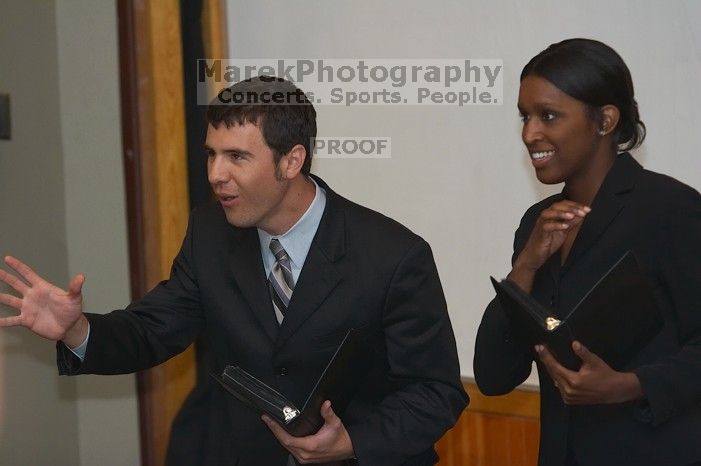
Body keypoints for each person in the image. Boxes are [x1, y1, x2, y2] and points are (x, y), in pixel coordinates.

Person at [0, 76, 468, 466]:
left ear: (292, 160)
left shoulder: (393, 255)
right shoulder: (210, 233)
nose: (215, 174)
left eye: (237, 157)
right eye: (211, 154)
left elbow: (436, 392)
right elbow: (153, 330)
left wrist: (351, 442)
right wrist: (78, 329)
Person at [474, 39, 701, 466]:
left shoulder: (669, 209)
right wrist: (525, 265)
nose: (529, 133)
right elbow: (493, 376)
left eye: (548, 116)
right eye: (524, 116)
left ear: (605, 120)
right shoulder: (536, 224)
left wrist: (631, 385)